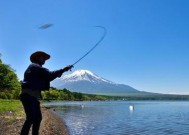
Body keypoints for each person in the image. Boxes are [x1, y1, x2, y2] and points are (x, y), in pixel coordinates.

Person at [20, 51, 73, 135]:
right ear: (37, 58)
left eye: (45, 58)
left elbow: (47, 76)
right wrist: (63, 69)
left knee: (37, 118)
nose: (44, 59)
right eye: (42, 57)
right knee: (31, 118)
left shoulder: (35, 67)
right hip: (28, 96)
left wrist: (60, 72)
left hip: (32, 96)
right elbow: (49, 75)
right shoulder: (35, 66)